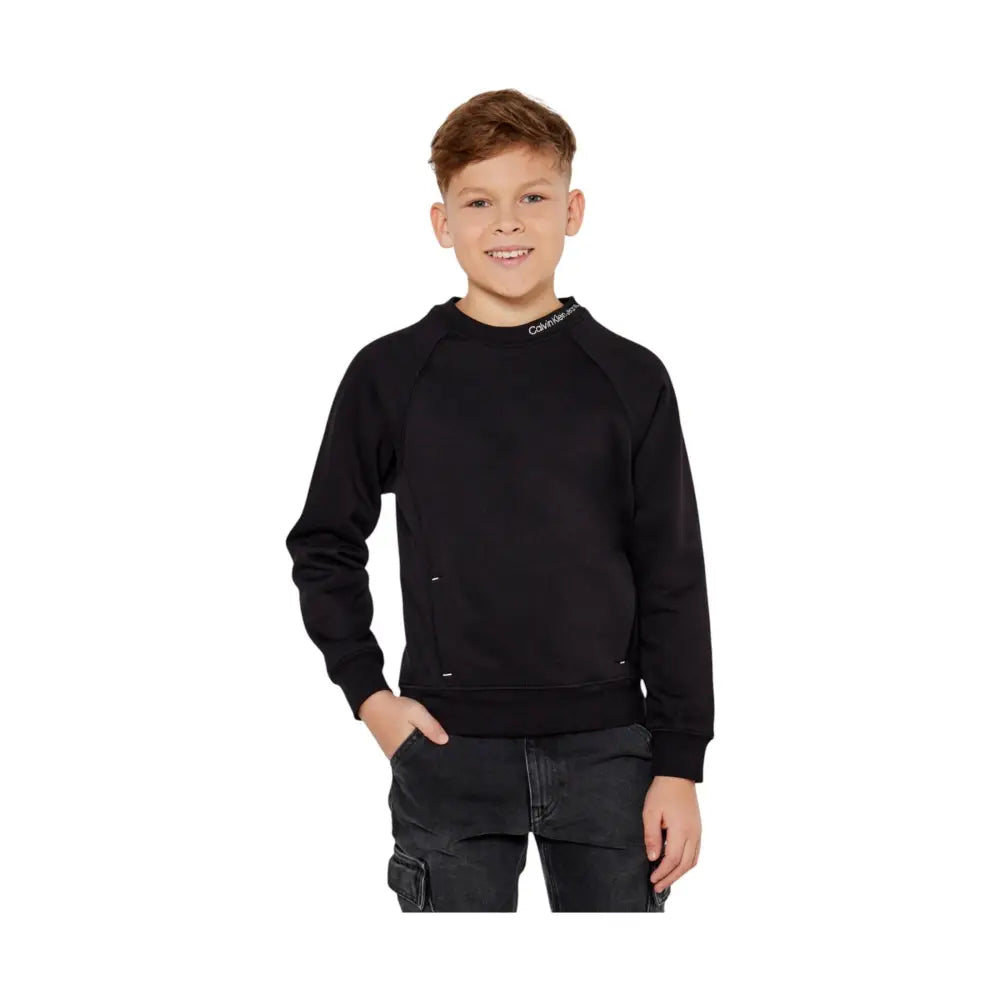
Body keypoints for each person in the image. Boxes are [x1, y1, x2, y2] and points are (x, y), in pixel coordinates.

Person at [285, 88, 714, 912]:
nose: (507, 224)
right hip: (448, 749)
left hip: (611, 754)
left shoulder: (630, 378)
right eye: (479, 202)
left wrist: (680, 762)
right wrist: (371, 699)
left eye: (533, 198)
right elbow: (325, 544)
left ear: (573, 211)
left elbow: (672, 574)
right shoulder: (391, 375)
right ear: (442, 222)